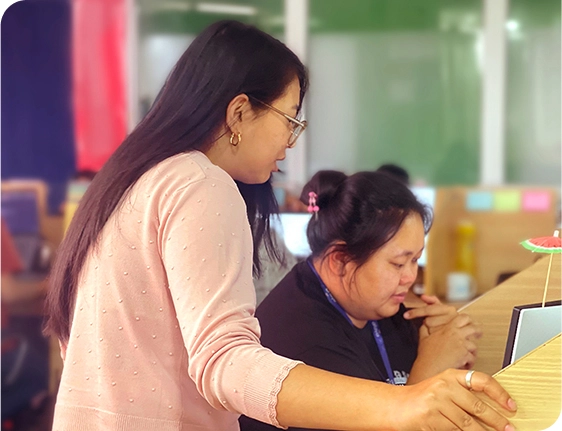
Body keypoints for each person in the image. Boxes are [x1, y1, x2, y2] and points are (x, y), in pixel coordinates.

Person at [44, 20, 517, 431]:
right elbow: (224, 363)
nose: (290, 142)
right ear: (238, 112)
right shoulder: (199, 182)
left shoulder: (129, 181)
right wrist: (406, 401)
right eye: (289, 119)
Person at [239, 170, 484, 431]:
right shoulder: (303, 343)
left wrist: (440, 340)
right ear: (340, 261)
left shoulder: (370, 302)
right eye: (398, 263)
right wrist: (433, 365)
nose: (410, 277)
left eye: (415, 260)